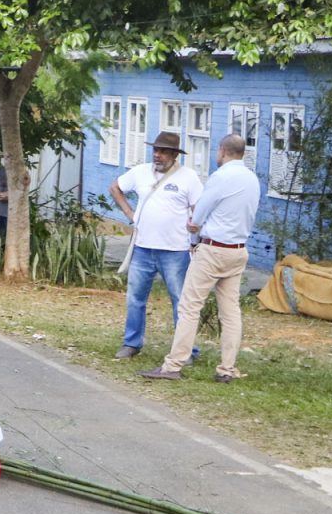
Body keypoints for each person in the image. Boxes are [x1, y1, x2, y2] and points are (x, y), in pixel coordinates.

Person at [141, 134, 261, 383]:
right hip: (238, 249)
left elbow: (199, 215)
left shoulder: (221, 177)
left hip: (212, 249)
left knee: (189, 307)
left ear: (222, 151)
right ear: (243, 153)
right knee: (230, 312)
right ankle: (226, 369)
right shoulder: (252, 179)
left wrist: (194, 239)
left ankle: (173, 364)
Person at [109, 131, 204, 359]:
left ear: (174, 155)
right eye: (155, 150)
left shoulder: (188, 177)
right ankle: (131, 343)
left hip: (175, 250)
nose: (158, 155)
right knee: (135, 298)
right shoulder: (141, 172)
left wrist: (196, 229)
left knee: (180, 301)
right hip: (143, 247)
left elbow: (198, 208)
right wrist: (130, 214)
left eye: (163, 152)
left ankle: (185, 350)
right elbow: (115, 188)